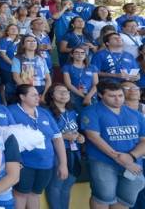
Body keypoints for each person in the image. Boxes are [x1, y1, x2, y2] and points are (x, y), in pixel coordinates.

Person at [81, 81, 145, 209]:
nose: (118, 99)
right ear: (100, 95)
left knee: (125, 199)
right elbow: (93, 136)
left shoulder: (135, 114)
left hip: (132, 163)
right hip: (103, 162)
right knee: (103, 197)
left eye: (120, 95)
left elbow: (144, 140)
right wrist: (119, 158)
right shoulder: (91, 111)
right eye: (112, 96)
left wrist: (131, 157)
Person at [7, 85, 68, 209]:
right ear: (22, 97)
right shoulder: (11, 111)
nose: (38, 97)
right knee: (20, 194)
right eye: (33, 95)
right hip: (24, 163)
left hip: (46, 164)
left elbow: (57, 138)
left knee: (35, 194)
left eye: (38, 94)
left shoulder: (44, 112)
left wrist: (63, 164)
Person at [43, 84, 84, 209]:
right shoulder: (45, 112)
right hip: (57, 152)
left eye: (66, 91)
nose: (64, 94)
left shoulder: (72, 111)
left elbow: (74, 130)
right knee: (56, 186)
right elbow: (43, 134)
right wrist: (64, 137)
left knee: (67, 186)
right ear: (51, 95)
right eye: (60, 91)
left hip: (73, 151)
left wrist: (80, 136)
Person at [62, 45, 99, 111]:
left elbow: (96, 84)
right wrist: (84, 96)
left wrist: (88, 96)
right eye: (77, 52)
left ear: (85, 55)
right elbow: (68, 84)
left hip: (91, 95)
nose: (80, 54)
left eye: (82, 53)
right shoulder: (67, 67)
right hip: (74, 95)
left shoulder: (92, 67)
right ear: (71, 55)